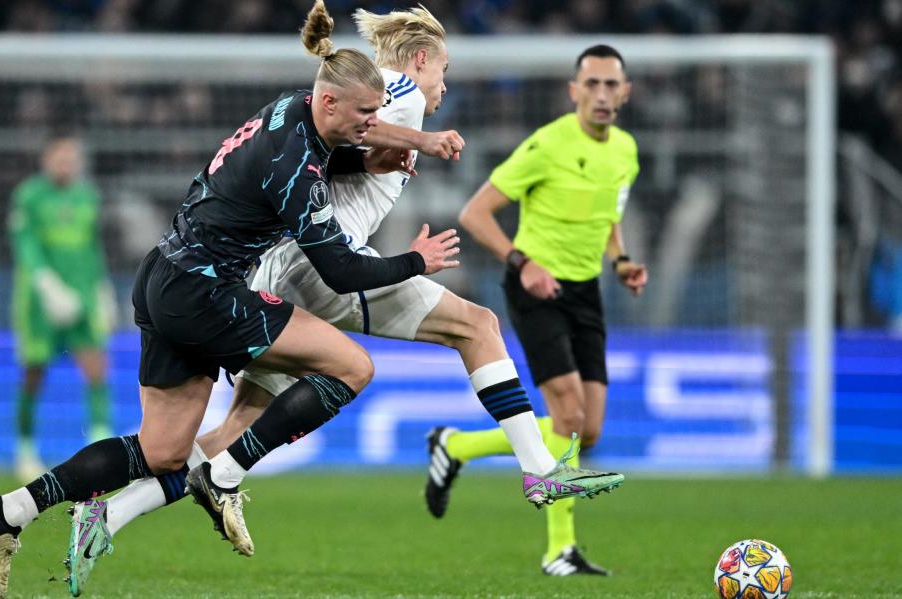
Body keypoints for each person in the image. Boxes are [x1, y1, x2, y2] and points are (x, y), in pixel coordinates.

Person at [59, 3, 626, 591]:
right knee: (477, 325)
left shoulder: (350, 106)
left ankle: (109, 513)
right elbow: (367, 124)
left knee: (235, 430)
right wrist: (420, 139)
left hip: (278, 268)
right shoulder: (398, 92)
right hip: (322, 267)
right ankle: (539, 472)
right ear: (421, 60)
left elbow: (334, 142)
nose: (444, 85)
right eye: (445, 70)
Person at [0, 4, 462, 597]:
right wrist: (417, 262)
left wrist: (390, 147)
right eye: (364, 116)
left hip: (162, 276)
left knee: (162, 451)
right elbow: (338, 270)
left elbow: (339, 146)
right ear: (330, 103)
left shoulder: (288, 108)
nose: (370, 125)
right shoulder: (294, 172)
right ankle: (224, 475)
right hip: (206, 292)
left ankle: (9, 511)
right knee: (352, 367)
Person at [429, 45, 648, 577]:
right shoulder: (547, 145)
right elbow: (475, 213)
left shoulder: (626, 151)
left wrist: (619, 260)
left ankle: (455, 445)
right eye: (590, 84)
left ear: (625, 93)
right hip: (534, 287)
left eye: (610, 85)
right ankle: (560, 549)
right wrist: (521, 262)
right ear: (574, 92)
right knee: (568, 417)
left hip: (586, 292)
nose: (601, 94)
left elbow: (609, 215)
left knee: (588, 429)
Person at [7, 136, 116, 481]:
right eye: (60, 156)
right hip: (40, 302)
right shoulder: (29, 196)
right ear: (46, 158)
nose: (66, 163)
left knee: (97, 368)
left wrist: (101, 287)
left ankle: (101, 445)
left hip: (82, 296)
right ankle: (25, 449)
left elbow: (92, 245)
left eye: (72, 157)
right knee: (34, 372)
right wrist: (46, 284)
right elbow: (25, 243)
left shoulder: (87, 196)